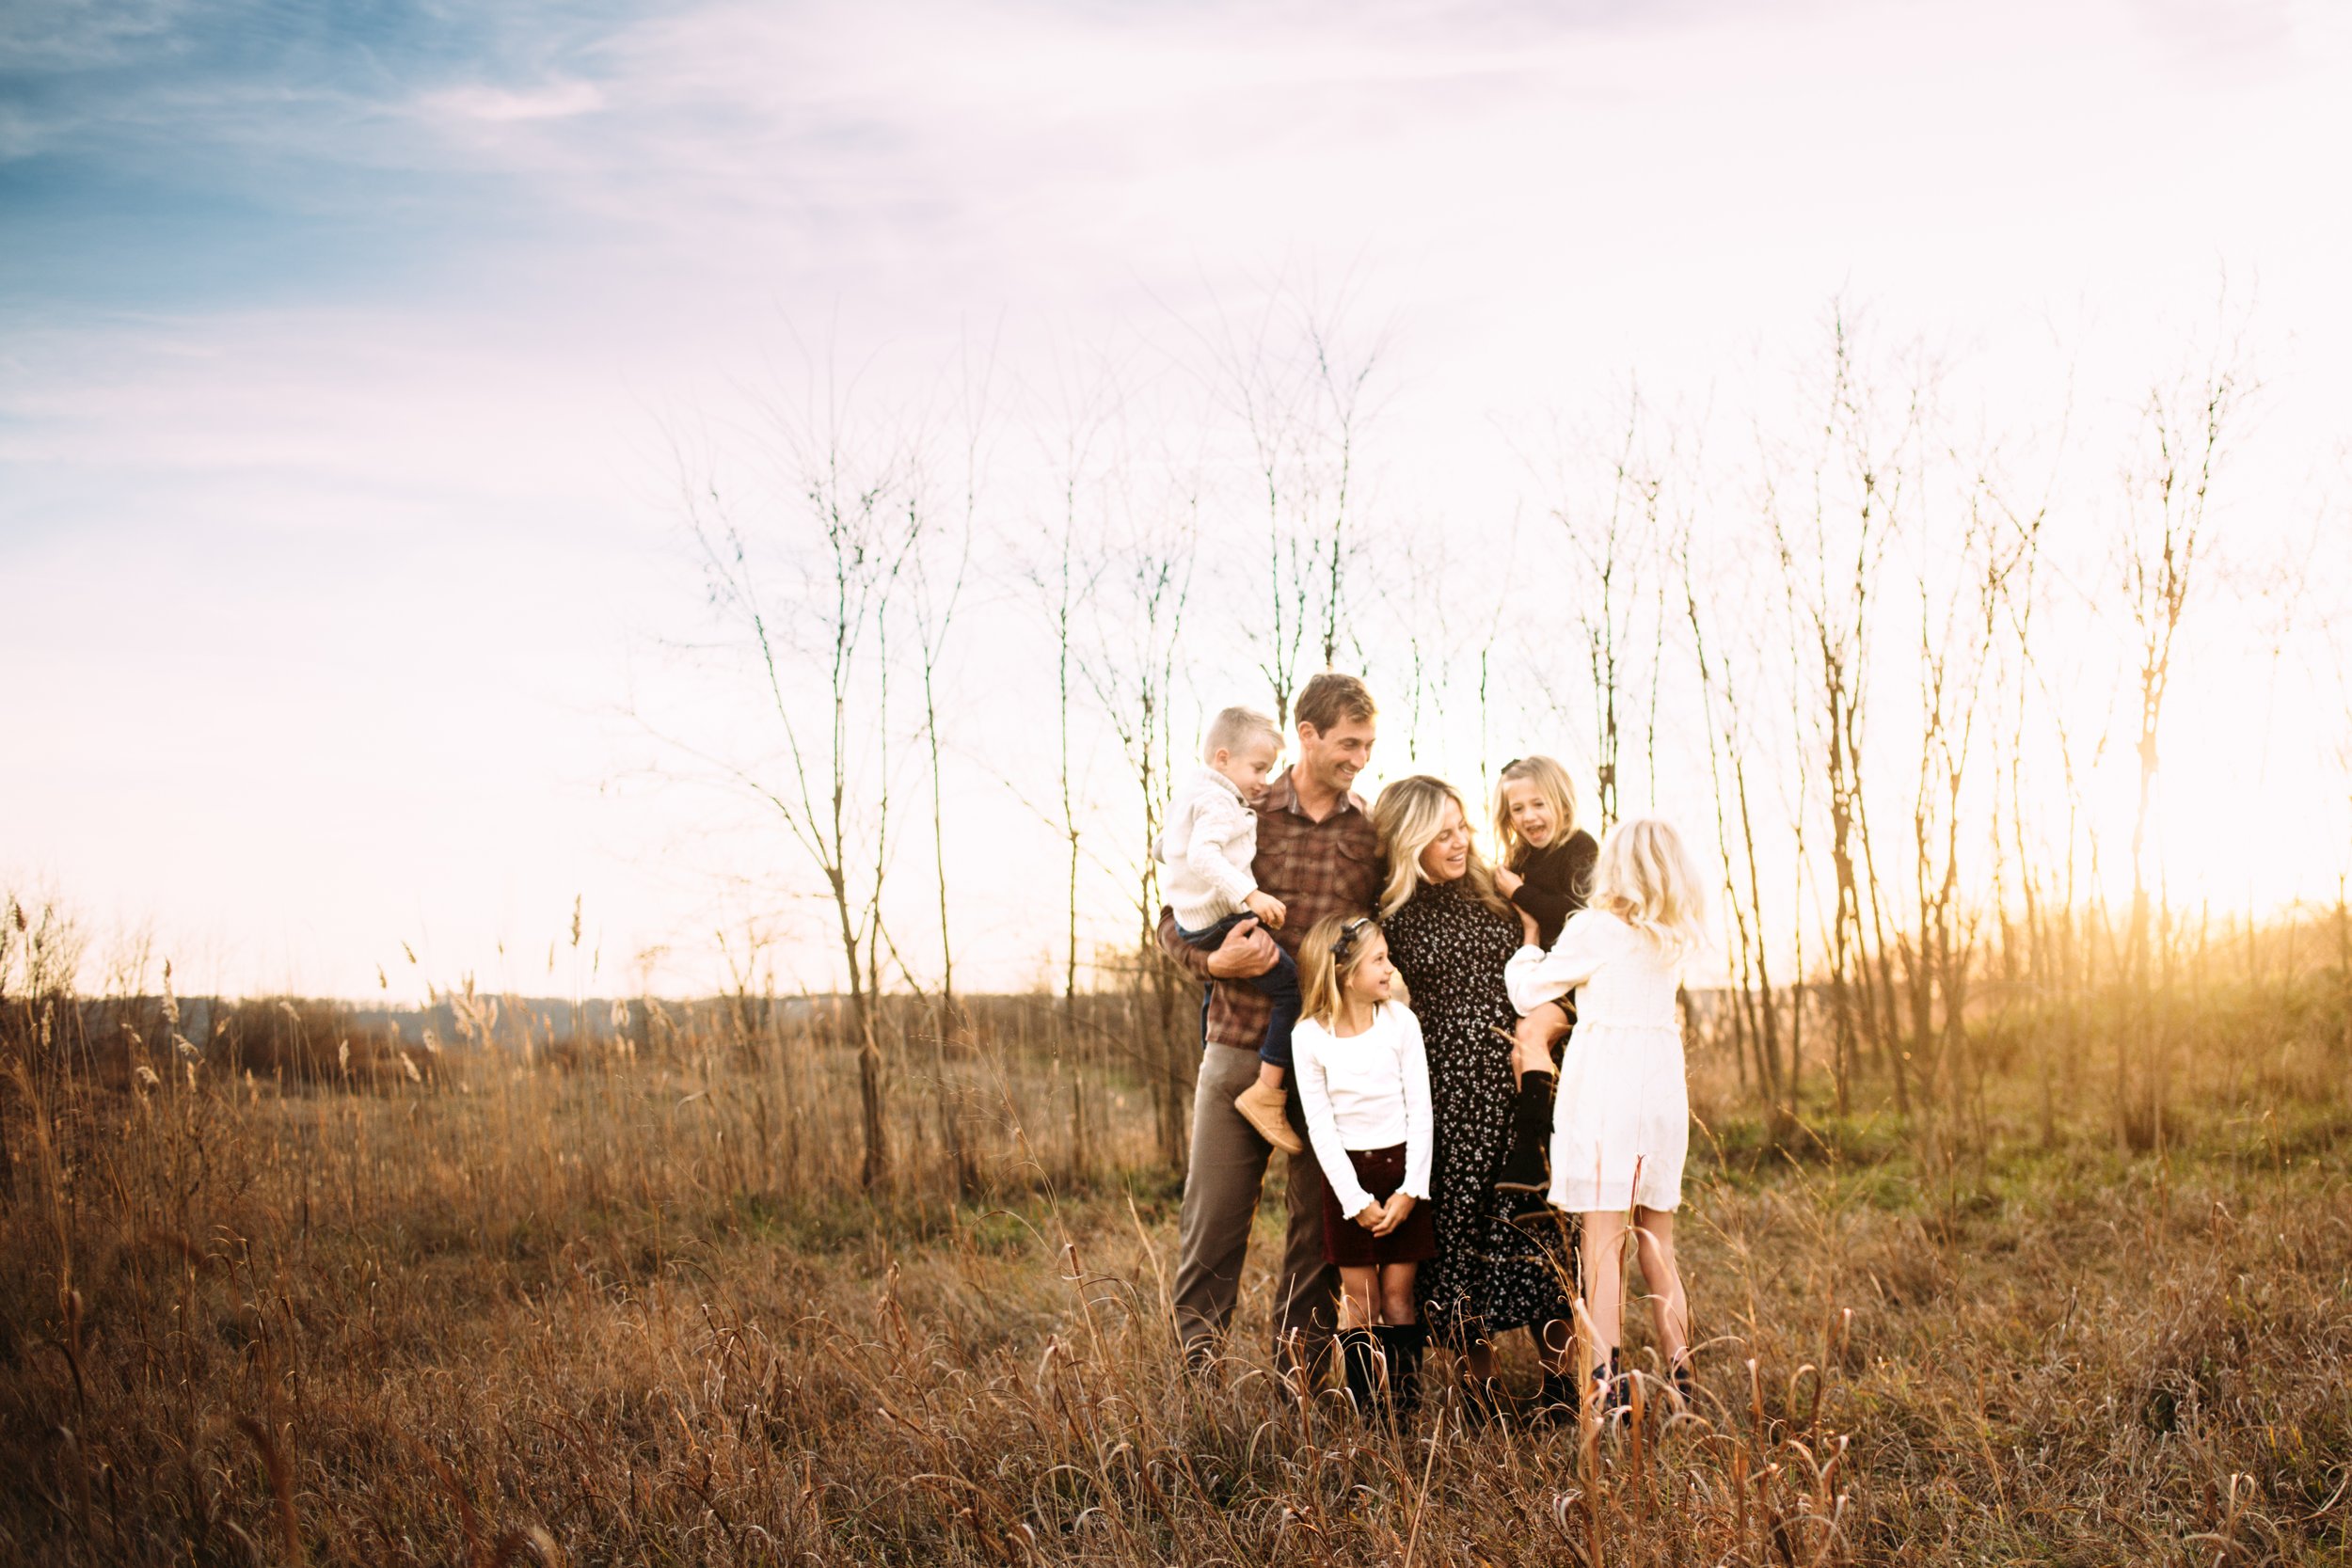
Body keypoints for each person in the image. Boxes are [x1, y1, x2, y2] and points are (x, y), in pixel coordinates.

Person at [1157, 673, 1381, 1375]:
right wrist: (1213, 960)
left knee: (1317, 1233)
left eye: (1369, 744)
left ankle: (1301, 1389)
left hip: (1326, 1058)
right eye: (1348, 742)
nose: (1359, 757)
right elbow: (1172, 914)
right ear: (1307, 735)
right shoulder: (1243, 805)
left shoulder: (1368, 828)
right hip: (1236, 1042)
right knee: (1212, 1225)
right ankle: (1197, 1390)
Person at [1372, 774, 1577, 1418]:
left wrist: (1553, 1020)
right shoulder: (1391, 913)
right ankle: (1479, 1395)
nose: (1459, 840)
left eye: (1462, 826)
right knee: (1455, 1236)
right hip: (1446, 1089)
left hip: (1521, 1073)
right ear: (1410, 839)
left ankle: (1562, 1389)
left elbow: (1558, 944)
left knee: (1538, 1224)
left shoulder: (1497, 885)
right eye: (1442, 832)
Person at [1504, 816, 1708, 1414]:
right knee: (1656, 1245)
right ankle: (1682, 1378)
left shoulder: (1594, 927)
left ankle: (1606, 1386)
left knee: (1602, 1246)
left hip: (1608, 1094)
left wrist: (1527, 943)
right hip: (1662, 1094)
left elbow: (1529, 992)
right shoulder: (1673, 935)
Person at [1289, 913, 1435, 1418]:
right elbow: (1321, 1129)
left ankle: (1405, 1411)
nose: (1390, 969)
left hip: (1402, 1175)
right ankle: (1367, 1414)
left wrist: (1411, 1190)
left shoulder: (1400, 1023)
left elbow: (1421, 1111)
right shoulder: (1309, 1037)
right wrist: (1355, 1201)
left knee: (1398, 1297)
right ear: (1344, 973)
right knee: (1360, 1301)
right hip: (1347, 1181)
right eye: (1379, 960)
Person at [1157, 705, 1304, 1155]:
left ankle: (1208, 1050)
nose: (1264, 780)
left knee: (1212, 993)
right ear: (1223, 759)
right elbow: (1203, 857)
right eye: (1258, 768)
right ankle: (1267, 1092)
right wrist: (1251, 895)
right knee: (1290, 987)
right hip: (1220, 919)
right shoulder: (1221, 801)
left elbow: (1165, 847)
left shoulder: (1192, 791)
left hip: (1191, 920)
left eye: (1270, 769)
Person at [1487, 756, 1599, 1214]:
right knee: (1519, 1049)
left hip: (1574, 979)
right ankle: (1535, 1157)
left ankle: (1532, 1155)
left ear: (1561, 801)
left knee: (1531, 1037)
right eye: (1517, 809)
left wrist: (1516, 891)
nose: (1529, 817)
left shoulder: (1581, 848)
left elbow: (1576, 915)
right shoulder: (1520, 859)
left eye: (1539, 804)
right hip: (1536, 976)